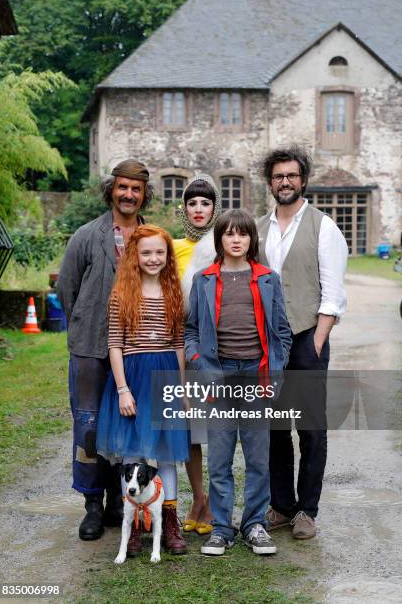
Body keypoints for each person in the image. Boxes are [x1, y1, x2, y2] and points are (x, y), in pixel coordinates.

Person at [185, 209, 292, 556]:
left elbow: (282, 332)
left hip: (256, 375)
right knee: (219, 457)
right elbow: (190, 332)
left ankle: (254, 524)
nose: (235, 239)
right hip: (219, 375)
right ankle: (221, 528)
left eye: (242, 234)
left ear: (251, 239)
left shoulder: (267, 278)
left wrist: (274, 370)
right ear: (219, 240)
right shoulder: (204, 279)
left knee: (258, 457)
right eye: (229, 234)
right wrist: (199, 362)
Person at [57, 159, 152, 541]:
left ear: (144, 194)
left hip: (139, 351)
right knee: (90, 427)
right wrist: (89, 323)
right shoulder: (86, 235)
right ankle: (93, 504)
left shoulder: (152, 237)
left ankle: (119, 500)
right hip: (91, 350)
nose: (128, 195)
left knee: (129, 427)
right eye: (123, 187)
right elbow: (67, 290)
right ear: (112, 189)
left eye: (136, 189)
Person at [257, 145, 348, 539]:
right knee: (273, 428)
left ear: (303, 179)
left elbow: (333, 291)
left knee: (310, 428)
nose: (285, 182)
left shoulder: (322, 226)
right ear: (270, 182)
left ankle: (307, 510)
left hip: (307, 337)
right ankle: (281, 505)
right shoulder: (257, 227)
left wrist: (317, 339)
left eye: (292, 175)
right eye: (278, 176)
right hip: (266, 345)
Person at [96, 225, 190, 555]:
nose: (153, 258)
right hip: (132, 378)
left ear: (168, 256)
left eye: (159, 252)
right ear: (135, 255)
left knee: (166, 456)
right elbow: (115, 345)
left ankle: (169, 522)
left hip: (165, 376)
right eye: (146, 252)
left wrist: (181, 390)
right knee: (133, 454)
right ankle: (135, 523)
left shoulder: (173, 290)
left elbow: (178, 344)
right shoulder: (122, 293)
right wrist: (122, 389)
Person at [173, 174, 221, 535]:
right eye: (193, 202)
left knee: (219, 427)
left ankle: (219, 505)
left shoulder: (225, 244)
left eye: (206, 202)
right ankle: (198, 497)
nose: (199, 209)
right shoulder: (171, 248)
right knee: (190, 430)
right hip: (179, 345)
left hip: (217, 347)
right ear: (184, 208)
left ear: (214, 207)